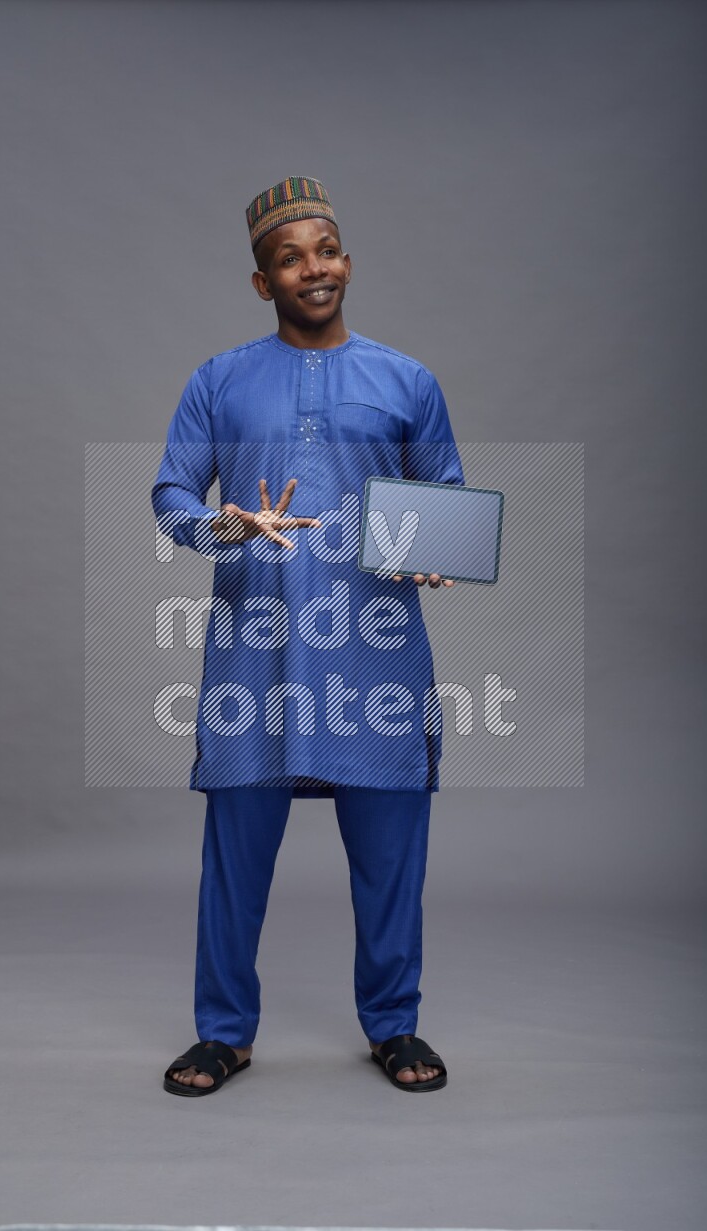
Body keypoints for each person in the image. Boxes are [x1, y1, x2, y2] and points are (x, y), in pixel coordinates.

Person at [152, 175, 463, 1095]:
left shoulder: (407, 379)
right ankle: (222, 1032)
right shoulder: (219, 380)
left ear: (348, 261)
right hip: (258, 653)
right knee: (235, 857)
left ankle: (394, 1026)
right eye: (289, 259)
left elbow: (445, 489)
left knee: (391, 853)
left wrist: (433, 547)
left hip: (374, 653)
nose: (312, 269)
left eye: (324, 250)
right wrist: (227, 524)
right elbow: (172, 496)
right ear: (263, 283)